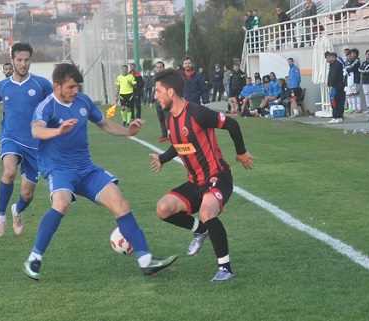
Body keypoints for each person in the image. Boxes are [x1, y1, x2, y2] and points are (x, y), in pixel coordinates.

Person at [22, 63, 177, 280]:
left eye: (77, 87)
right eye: (71, 87)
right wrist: (58, 130)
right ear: (57, 85)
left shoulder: (83, 101)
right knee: (61, 203)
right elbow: (36, 130)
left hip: (86, 169)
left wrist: (128, 131)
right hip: (60, 170)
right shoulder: (47, 106)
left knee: (120, 203)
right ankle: (34, 259)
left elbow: (103, 123)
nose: (75, 91)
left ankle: (146, 261)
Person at [149, 68, 253, 282]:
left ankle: (225, 268)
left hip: (218, 177)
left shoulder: (197, 113)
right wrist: (162, 158)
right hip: (194, 183)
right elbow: (180, 145)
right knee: (163, 209)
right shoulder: (170, 119)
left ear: (171, 92)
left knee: (207, 211)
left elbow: (232, 124)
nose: (155, 95)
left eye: (158, 91)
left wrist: (241, 153)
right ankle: (200, 230)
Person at [0, 43, 53, 237]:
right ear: (12, 60)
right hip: (10, 137)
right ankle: (0, 217)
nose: (23, 64)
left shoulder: (42, 84)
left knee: (27, 194)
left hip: (35, 144)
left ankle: (17, 210)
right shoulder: (3, 86)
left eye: (26, 60)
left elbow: (54, 106)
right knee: (8, 172)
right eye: (19, 60)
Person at [327, 51, 345, 123]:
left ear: (333, 57)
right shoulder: (332, 65)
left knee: (337, 101)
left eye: (328, 58)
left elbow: (334, 76)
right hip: (334, 86)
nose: (327, 59)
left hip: (337, 86)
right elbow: (330, 76)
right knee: (333, 102)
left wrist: (331, 84)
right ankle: (335, 116)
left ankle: (338, 116)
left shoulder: (337, 64)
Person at [152, 61, 168, 142]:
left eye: (160, 67)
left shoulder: (167, 77)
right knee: (161, 118)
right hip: (157, 100)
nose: (158, 69)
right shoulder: (155, 78)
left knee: (167, 118)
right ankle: (164, 135)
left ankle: (171, 134)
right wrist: (152, 99)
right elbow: (154, 88)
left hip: (165, 100)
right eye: (157, 67)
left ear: (163, 68)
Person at [344, 48, 362, 113]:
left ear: (356, 54)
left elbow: (350, 68)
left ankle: (358, 108)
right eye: (351, 53)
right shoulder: (349, 61)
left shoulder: (357, 61)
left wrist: (347, 69)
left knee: (356, 94)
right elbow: (346, 68)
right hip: (349, 79)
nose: (352, 55)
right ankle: (352, 108)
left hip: (355, 79)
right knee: (350, 94)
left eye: (354, 53)